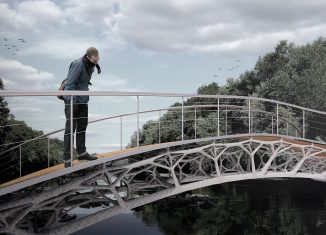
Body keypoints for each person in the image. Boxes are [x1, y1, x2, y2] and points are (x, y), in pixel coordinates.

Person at [63, 47, 101, 168]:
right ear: (88, 57)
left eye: (98, 59)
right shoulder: (78, 64)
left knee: (82, 125)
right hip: (72, 100)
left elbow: (84, 83)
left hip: (83, 99)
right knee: (70, 129)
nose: (96, 62)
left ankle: (82, 152)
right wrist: (71, 102)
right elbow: (69, 84)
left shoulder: (92, 65)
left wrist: (84, 97)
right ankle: (67, 159)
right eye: (95, 60)